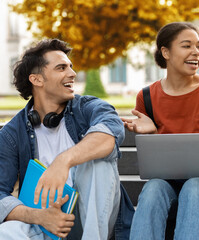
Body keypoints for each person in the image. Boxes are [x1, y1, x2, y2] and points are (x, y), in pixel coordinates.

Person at [122, 22, 199, 240]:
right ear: (166, 52)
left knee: (195, 186)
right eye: (187, 46)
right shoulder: (147, 97)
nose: (196, 52)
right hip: (168, 187)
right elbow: (156, 161)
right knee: (152, 189)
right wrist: (150, 135)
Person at [0, 39, 125, 239]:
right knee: (5, 233)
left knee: (97, 161)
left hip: (93, 220)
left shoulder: (88, 107)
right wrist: (39, 216)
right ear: (37, 80)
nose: (72, 74)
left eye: (70, 67)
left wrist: (63, 161)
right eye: (61, 68)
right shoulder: (12, 134)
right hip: (46, 221)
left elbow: (110, 132)